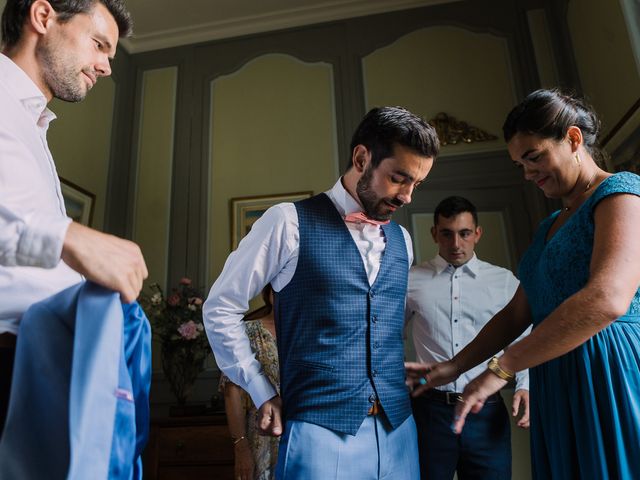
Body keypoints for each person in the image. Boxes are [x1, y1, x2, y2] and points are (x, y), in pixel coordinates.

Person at [406, 89, 640, 480]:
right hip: (556, 374)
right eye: (520, 165)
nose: (528, 174)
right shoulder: (549, 226)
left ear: (573, 139)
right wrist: (455, 365)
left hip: (605, 369)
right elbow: (518, 311)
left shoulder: (621, 194)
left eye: (533, 158)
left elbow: (608, 299)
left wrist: (501, 370)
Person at [204, 106, 440, 479]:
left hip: (399, 430)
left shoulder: (403, 240)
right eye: (399, 179)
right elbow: (219, 308)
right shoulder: (287, 222)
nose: (408, 196)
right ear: (362, 158)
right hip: (319, 431)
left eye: (417, 184)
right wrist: (261, 389)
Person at [0, 0, 147, 437]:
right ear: (43, 18)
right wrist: (71, 239)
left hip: (35, 367)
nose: (105, 67)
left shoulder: (33, 127)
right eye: (99, 45)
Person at [405, 195, 530, 479]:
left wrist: (525, 384)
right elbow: (386, 335)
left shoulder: (504, 281)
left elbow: (523, 337)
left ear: (477, 234)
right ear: (434, 233)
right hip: (429, 411)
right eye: (447, 234)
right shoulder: (411, 280)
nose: (455, 244)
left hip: (486, 411)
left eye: (464, 234)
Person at [220, 284, 279, 480]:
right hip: (261, 438)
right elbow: (232, 393)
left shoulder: (306, 332)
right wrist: (241, 447)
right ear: (269, 293)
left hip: (302, 436)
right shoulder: (248, 331)